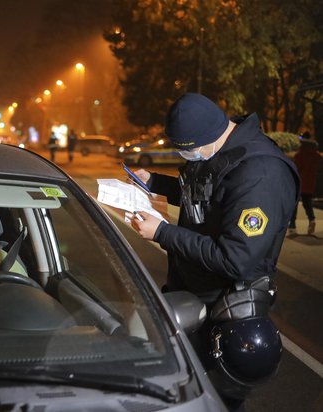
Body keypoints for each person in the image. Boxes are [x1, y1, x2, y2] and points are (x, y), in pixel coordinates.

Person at [129, 93, 299, 410]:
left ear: (208, 137)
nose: (187, 156)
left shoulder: (260, 174)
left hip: (228, 311)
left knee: (217, 400)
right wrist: (154, 182)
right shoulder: (221, 154)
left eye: (187, 150)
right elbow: (209, 197)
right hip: (195, 298)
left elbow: (235, 259)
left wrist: (162, 232)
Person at [288, 132, 321, 236]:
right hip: (310, 181)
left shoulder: (300, 154)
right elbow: (318, 166)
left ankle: (292, 226)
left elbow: (296, 167)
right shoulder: (316, 155)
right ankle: (312, 220)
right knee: (307, 203)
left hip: (299, 181)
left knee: (294, 204)